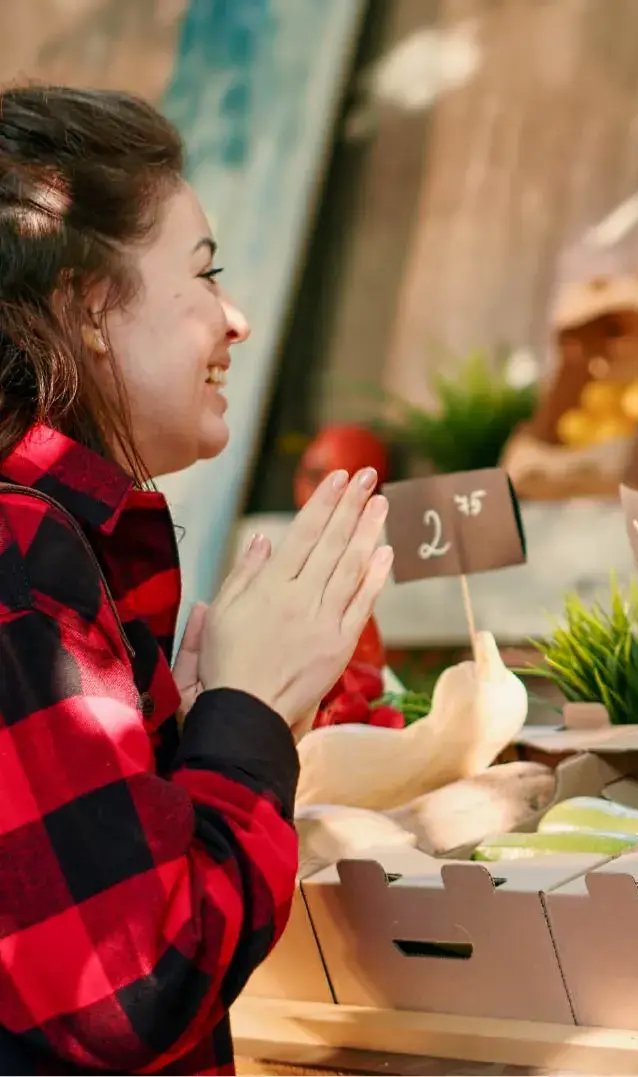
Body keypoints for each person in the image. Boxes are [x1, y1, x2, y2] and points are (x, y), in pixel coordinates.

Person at [0, 87, 392, 1073]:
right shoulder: (17, 551)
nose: (238, 320)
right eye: (206, 274)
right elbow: (136, 986)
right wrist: (252, 712)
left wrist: (219, 715)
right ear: (89, 307)